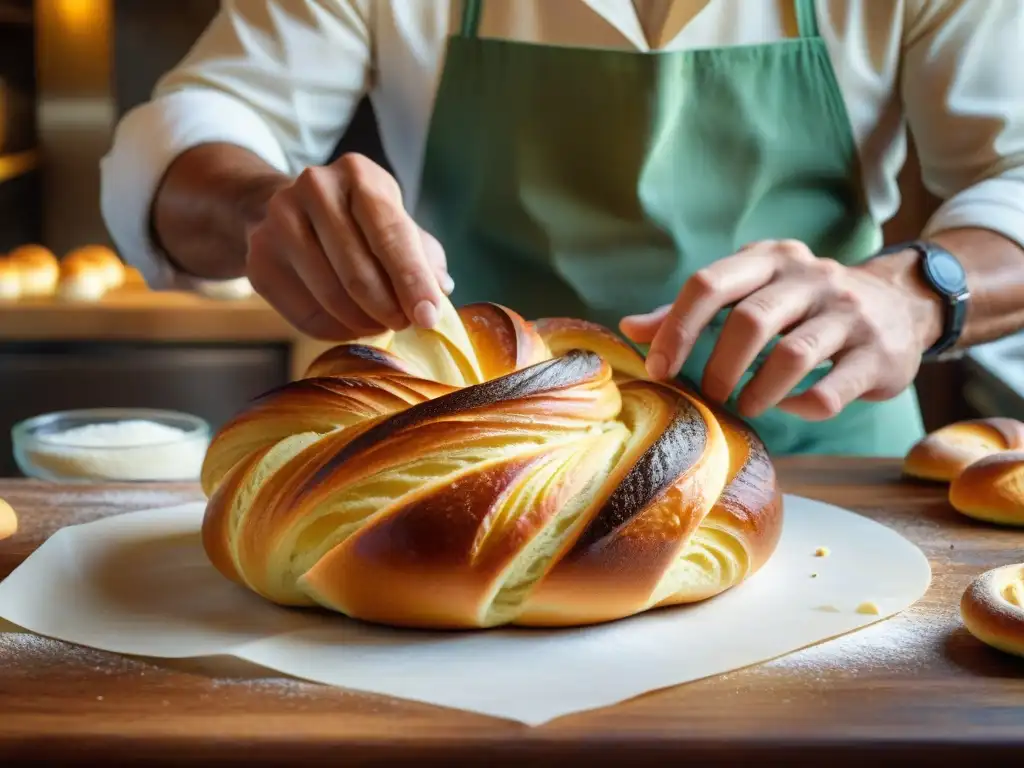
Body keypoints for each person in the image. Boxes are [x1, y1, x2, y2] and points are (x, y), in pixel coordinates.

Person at [100, 0, 1024, 457]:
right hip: (470, 458)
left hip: (823, 466)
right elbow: (195, 130)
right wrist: (260, 208)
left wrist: (910, 294)